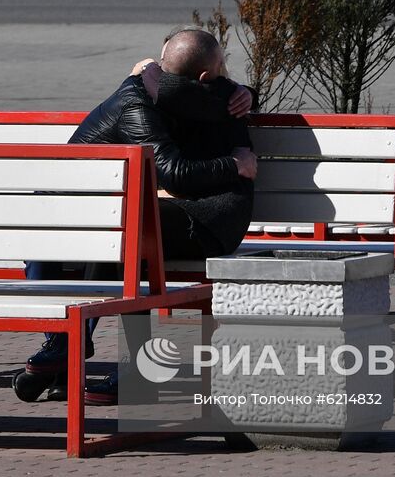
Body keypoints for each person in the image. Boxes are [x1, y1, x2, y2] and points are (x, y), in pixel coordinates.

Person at [20, 28, 258, 404]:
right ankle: (75, 351)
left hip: (207, 219)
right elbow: (175, 170)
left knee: (126, 226)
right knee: (123, 226)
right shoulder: (144, 102)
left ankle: (88, 357)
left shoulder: (180, 92)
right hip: (80, 212)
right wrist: (235, 161)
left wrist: (243, 93)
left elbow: (213, 97)